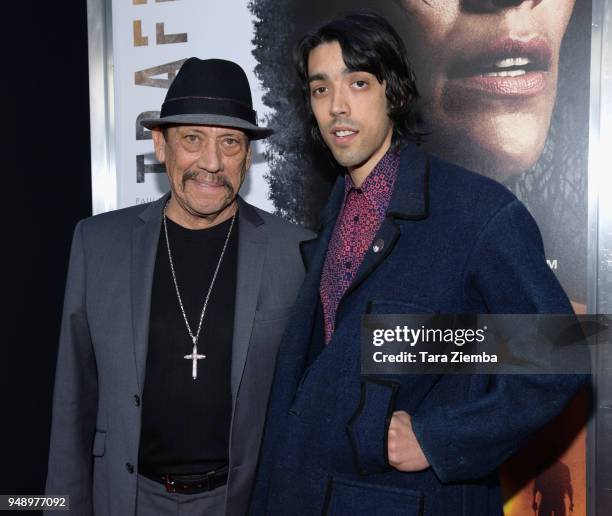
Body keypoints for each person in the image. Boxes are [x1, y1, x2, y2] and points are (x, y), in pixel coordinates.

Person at [250, 13, 586, 515]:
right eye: (321, 90)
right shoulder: (335, 215)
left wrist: (438, 437)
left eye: (358, 83)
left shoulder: (475, 212)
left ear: (396, 93)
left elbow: (560, 354)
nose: (337, 107)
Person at [45, 57, 312, 516]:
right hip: (126, 500)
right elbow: (72, 405)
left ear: (248, 154)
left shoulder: (298, 252)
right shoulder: (98, 243)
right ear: (160, 145)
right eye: (192, 139)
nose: (212, 163)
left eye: (229, 141)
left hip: (244, 502)